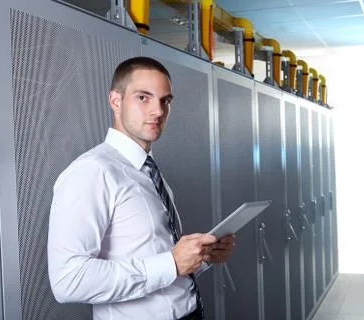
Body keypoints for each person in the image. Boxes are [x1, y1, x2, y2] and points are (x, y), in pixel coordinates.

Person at [48, 56, 235, 320]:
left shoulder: (148, 171)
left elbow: (156, 260)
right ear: (115, 101)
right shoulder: (93, 172)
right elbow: (68, 280)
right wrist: (170, 263)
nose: (158, 111)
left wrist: (201, 257)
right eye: (143, 98)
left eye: (165, 101)